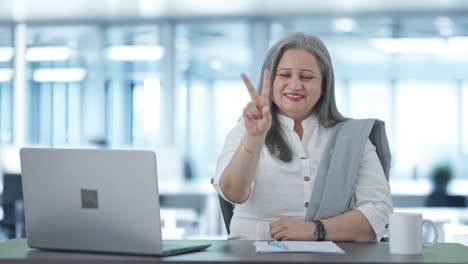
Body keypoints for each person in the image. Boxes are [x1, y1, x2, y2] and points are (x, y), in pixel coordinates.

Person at [211, 32, 393, 241]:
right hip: (252, 252)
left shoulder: (352, 137)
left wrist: (315, 230)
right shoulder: (243, 131)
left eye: (306, 77)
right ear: (270, 80)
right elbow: (233, 193)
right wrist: (254, 139)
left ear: (324, 84)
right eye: (285, 75)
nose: (295, 85)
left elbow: (381, 212)